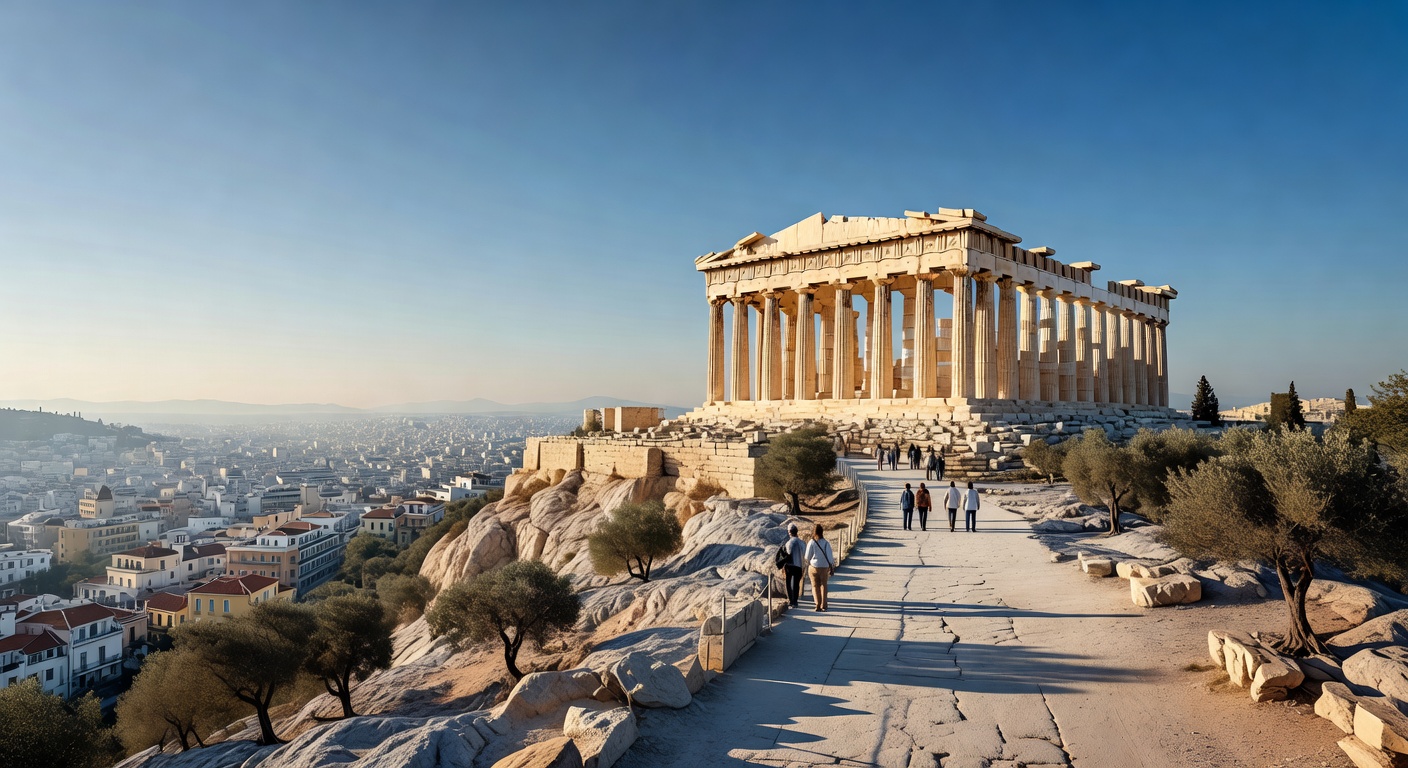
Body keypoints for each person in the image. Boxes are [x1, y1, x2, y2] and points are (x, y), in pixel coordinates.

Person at [804, 524, 836, 611]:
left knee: (815, 586)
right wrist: (831, 565)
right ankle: (824, 605)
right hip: (824, 567)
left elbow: (807, 556)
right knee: (823, 585)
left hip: (813, 566)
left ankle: (817, 604)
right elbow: (830, 557)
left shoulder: (811, 542)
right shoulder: (826, 543)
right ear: (822, 532)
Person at [783, 524, 806, 607]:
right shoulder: (802, 543)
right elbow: (805, 555)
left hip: (789, 565)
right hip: (799, 565)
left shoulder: (788, 543)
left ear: (789, 533)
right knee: (796, 583)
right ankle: (795, 601)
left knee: (788, 583)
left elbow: (787, 554)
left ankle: (790, 600)